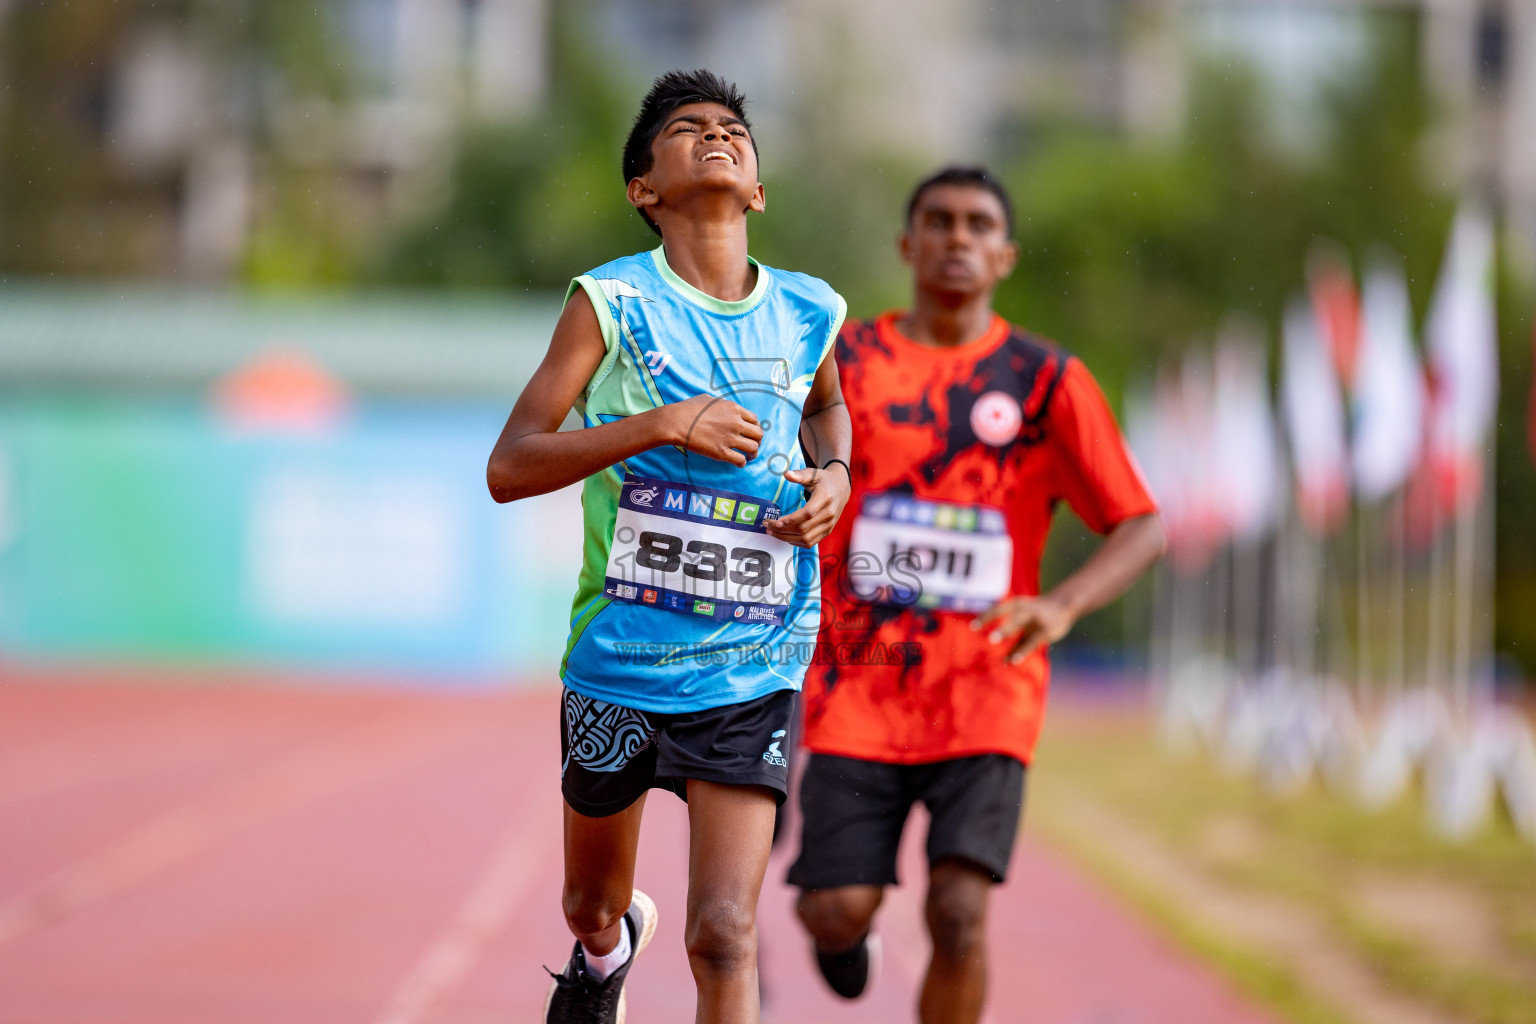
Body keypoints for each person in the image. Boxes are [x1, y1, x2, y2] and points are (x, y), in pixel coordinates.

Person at [486, 69, 852, 1024]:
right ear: (643, 189)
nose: (716, 137)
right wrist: (661, 424)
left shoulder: (811, 310)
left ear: (759, 188)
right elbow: (511, 463)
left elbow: (828, 407)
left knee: (725, 932)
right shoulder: (610, 304)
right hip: (622, 660)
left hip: (753, 658)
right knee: (589, 902)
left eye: (732, 128)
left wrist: (837, 476)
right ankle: (603, 957)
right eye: (686, 130)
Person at [787, 166, 1165, 1024]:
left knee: (960, 911)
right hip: (856, 682)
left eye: (979, 225)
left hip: (987, 689)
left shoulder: (1045, 381)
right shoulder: (844, 361)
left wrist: (1061, 606)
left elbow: (1141, 524)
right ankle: (844, 934)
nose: (959, 238)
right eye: (940, 222)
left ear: (1006, 255)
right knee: (831, 908)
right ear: (907, 245)